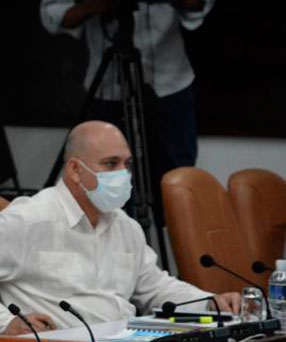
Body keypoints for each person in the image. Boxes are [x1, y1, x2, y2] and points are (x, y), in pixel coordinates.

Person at [0, 121, 240, 335]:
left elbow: (155, 287)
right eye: (110, 164)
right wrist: (2, 321)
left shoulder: (124, 225)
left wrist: (210, 302)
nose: (123, 174)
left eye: (127, 164)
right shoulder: (33, 217)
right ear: (76, 170)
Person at [41, 0, 215, 226]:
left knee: (177, 188)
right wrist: (95, 5)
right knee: (110, 188)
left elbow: (198, 5)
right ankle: (118, 252)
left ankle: (168, 255)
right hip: (108, 88)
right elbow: (52, 15)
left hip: (170, 85)